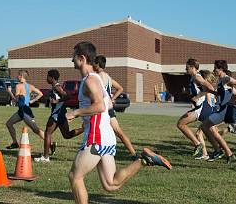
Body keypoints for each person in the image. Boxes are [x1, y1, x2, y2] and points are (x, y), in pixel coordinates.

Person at [66, 41, 171, 204]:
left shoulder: (90, 81)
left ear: (81, 58)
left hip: (97, 136)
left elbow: (100, 106)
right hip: (106, 135)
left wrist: (76, 112)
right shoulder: (97, 79)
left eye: (73, 57)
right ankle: (144, 159)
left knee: (75, 176)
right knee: (111, 183)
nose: (71, 60)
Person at [201, 60, 236, 164]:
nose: (214, 70)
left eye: (215, 68)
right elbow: (220, 94)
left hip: (226, 111)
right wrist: (210, 91)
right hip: (222, 110)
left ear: (221, 69)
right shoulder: (221, 80)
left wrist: (233, 99)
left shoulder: (226, 78)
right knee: (206, 127)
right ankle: (228, 153)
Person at [34, 69, 83, 162]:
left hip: (57, 114)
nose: (46, 78)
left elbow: (67, 96)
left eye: (47, 76)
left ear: (52, 78)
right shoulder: (54, 87)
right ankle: (84, 129)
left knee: (47, 133)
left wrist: (57, 101)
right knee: (67, 135)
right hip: (60, 114)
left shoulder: (57, 87)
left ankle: (45, 157)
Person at [93, 55, 137, 158]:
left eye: (94, 63)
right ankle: (134, 153)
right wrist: (112, 99)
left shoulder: (99, 77)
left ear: (98, 64)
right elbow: (120, 88)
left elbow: (99, 93)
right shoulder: (108, 77)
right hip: (109, 109)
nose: (92, 65)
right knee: (119, 132)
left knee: (91, 129)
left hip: (103, 109)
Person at [5, 70, 55, 152]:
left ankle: (51, 144)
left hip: (24, 111)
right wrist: (32, 100)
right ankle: (15, 142)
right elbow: (40, 93)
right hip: (21, 111)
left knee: (36, 130)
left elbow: (16, 100)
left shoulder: (18, 86)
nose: (17, 77)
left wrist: (9, 92)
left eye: (18, 75)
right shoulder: (30, 86)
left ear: (21, 76)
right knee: (9, 124)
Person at [176, 58, 215, 156]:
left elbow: (210, 88)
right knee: (210, 132)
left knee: (181, 124)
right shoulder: (193, 78)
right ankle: (209, 153)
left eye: (187, 68)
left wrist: (197, 97)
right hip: (199, 108)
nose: (186, 70)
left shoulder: (197, 77)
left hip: (201, 109)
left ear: (193, 67)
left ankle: (198, 144)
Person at [193, 70, 217, 160]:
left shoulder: (207, 90)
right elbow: (214, 101)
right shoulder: (212, 89)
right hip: (213, 113)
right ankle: (207, 153)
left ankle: (214, 152)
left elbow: (210, 103)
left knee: (200, 133)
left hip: (209, 114)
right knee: (212, 134)